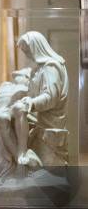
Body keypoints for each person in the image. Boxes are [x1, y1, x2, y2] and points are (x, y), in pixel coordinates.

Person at [11, 31, 68, 167]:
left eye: (28, 51)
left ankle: (22, 152)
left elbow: (50, 97)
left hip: (49, 120)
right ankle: (8, 163)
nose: (27, 55)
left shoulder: (51, 67)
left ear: (36, 48)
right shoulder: (40, 68)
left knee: (19, 109)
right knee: (5, 113)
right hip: (40, 114)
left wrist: (31, 103)